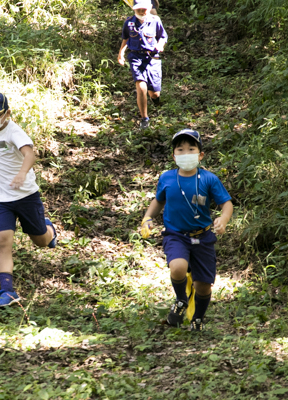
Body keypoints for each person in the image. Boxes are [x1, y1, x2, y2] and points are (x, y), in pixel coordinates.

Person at [140, 129, 233, 331]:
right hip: (176, 236)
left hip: (203, 237)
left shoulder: (209, 179)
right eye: (180, 150)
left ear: (200, 155)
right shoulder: (167, 178)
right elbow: (158, 201)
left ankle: (197, 319)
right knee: (178, 267)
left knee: (203, 286)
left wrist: (223, 219)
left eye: (191, 149)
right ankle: (181, 299)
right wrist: (148, 217)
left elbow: (226, 203)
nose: (185, 153)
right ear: (174, 156)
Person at [0, 91, 57, 308]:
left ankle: (49, 229)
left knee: (41, 241)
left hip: (25, 195)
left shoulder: (15, 131)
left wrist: (22, 173)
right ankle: (8, 292)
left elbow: (30, 154)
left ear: (7, 114)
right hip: (0, 198)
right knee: (2, 241)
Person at [118, 0, 168, 130]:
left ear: (150, 7)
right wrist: (121, 54)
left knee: (154, 94)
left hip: (153, 58)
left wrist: (160, 44)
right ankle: (144, 118)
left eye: (144, 9)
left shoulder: (155, 20)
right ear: (134, 9)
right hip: (136, 57)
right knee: (141, 86)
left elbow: (163, 36)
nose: (141, 11)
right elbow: (126, 38)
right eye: (138, 9)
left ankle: (155, 100)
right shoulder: (129, 23)